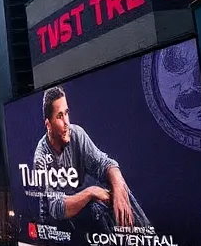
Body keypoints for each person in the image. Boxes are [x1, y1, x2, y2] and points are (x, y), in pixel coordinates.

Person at [33, 86, 151, 233]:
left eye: (67, 113)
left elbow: (104, 163)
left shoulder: (76, 134)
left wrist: (119, 190)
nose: (66, 122)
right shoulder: (42, 157)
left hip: (82, 206)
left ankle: (147, 238)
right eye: (59, 116)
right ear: (48, 125)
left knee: (120, 190)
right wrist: (91, 192)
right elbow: (56, 209)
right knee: (96, 206)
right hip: (59, 226)